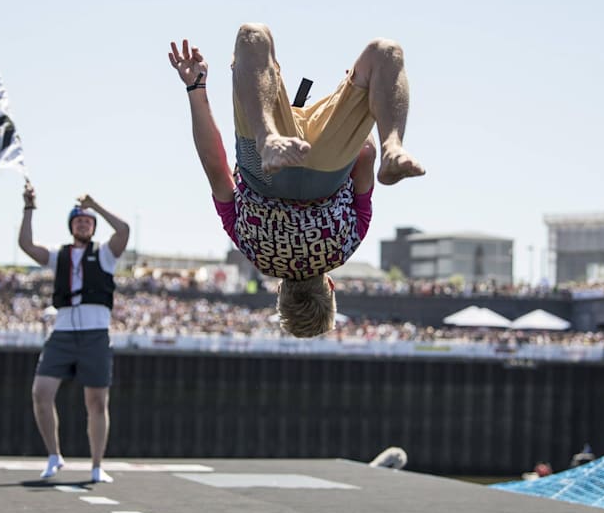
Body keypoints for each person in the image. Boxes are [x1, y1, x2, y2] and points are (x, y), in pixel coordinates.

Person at [168, 24, 425, 338]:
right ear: (280, 292)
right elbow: (214, 167)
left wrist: (364, 110)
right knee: (252, 39)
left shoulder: (346, 246)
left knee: (385, 54)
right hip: (264, 172)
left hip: (327, 174)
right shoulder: (253, 250)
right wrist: (196, 88)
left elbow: (366, 154)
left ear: (330, 286)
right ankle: (266, 136)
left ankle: (394, 146)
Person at [18, 180, 129, 482]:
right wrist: (29, 208)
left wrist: (95, 205)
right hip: (63, 332)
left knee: (96, 401)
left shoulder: (105, 254)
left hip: (95, 334)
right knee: (41, 393)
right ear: (71, 226)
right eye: (78, 220)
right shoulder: (59, 255)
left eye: (87, 221)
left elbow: (123, 230)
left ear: (93, 226)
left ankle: (96, 466)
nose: (83, 224)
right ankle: (54, 456)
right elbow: (26, 245)